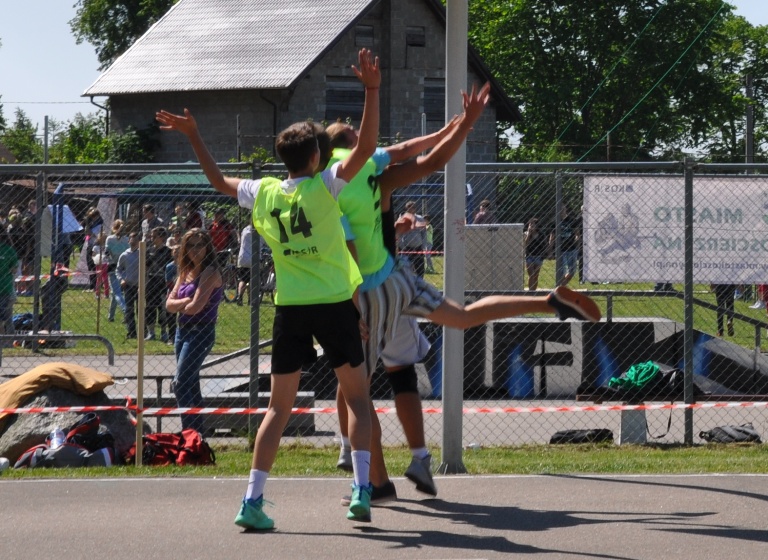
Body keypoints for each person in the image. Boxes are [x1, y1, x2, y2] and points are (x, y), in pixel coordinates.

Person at [330, 82, 601, 505]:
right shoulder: (379, 179)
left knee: (356, 396)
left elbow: (345, 252)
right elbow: (429, 157)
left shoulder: (328, 184)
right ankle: (547, 301)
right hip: (399, 277)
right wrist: (465, 122)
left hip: (366, 292)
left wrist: (349, 308)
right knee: (464, 315)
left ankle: (373, 482)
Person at [156, 47, 381, 528]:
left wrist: (194, 135)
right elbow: (365, 148)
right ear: (317, 156)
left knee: (277, 408)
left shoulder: (264, 192)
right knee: (359, 400)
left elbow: (217, 180)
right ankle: (361, 491)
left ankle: (252, 501)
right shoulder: (327, 185)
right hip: (334, 303)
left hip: (291, 307)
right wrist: (372, 89)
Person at [165, 229, 224, 431]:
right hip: (182, 331)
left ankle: (188, 432)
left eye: (200, 245)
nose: (195, 250)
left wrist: (182, 304)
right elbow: (169, 305)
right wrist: (186, 302)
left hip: (201, 332)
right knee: (191, 383)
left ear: (208, 247)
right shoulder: (185, 272)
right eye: (191, 245)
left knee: (180, 384)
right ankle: (197, 435)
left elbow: (196, 308)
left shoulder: (210, 272)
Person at [146, 227, 173, 342]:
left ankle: (163, 332)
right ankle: (151, 332)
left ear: (161, 237)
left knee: (163, 308)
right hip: (151, 281)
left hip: (163, 282)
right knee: (150, 306)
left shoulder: (168, 252)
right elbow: (145, 266)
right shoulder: (149, 251)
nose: (152, 238)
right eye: (151, 236)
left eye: (154, 236)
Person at [116, 232, 141, 339]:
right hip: (129, 285)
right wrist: (121, 279)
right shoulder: (124, 255)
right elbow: (118, 270)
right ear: (128, 240)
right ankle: (132, 332)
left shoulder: (142, 253)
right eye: (131, 238)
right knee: (129, 309)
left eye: (135, 238)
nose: (133, 240)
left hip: (140, 286)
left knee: (140, 310)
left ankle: (143, 331)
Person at [549, 205, 581, 286]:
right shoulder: (555, 222)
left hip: (572, 249)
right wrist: (550, 251)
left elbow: (577, 234)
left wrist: (577, 242)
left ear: (565, 209)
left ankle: (561, 286)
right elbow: (552, 237)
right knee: (561, 272)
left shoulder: (572, 220)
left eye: (563, 209)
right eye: (560, 209)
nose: (561, 211)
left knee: (572, 271)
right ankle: (561, 288)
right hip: (560, 250)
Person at [105, 219, 129, 322]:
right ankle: (111, 316)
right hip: (124, 267)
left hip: (112, 266)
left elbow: (106, 252)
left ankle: (126, 310)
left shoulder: (110, 239)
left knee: (117, 293)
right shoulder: (127, 239)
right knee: (115, 292)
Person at [397, 200, 426, 277]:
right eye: (410, 208)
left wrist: (424, 245)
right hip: (407, 248)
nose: (412, 209)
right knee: (406, 268)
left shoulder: (420, 218)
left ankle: (420, 280)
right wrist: (402, 246)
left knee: (420, 268)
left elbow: (424, 233)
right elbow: (399, 234)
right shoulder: (403, 219)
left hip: (418, 247)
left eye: (413, 207)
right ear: (407, 209)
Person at [0, 223, 19, 337]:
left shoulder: (8, 250)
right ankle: (8, 340)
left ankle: (5, 341)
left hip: (4, 289)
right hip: (6, 287)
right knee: (6, 317)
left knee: (4, 319)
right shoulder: (9, 250)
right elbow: (14, 269)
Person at [524, 218, 548, 291]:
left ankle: (534, 291)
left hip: (538, 256)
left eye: (532, 224)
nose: (531, 226)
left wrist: (545, 254)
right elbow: (525, 244)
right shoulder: (526, 234)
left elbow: (545, 245)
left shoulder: (541, 234)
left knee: (535, 275)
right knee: (531, 274)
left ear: (537, 226)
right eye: (530, 224)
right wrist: (529, 234)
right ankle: (530, 291)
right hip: (529, 256)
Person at [236, 224, 252, 305]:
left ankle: (240, 296)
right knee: (252, 280)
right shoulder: (259, 232)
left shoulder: (245, 229)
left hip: (242, 257)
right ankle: (250, 299)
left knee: (243, 279)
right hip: (253, 258)